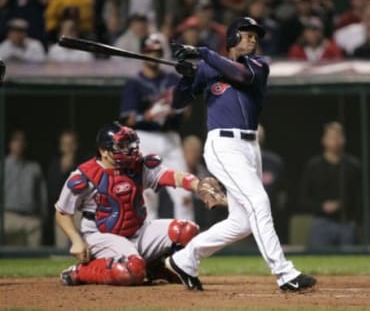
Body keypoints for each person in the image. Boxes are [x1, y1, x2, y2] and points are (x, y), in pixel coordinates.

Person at [167, 16, 316, 291]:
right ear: (233, 37)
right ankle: (284, 274)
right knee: (259, 201)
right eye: (247, 35)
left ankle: (184, 259)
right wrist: (186, 79)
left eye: (255, 36)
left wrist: (202, 53)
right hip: (223, 145)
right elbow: (178, 103)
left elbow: (240, 76)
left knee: (241, 222)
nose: (253, 39)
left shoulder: (258, 66)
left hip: (250, 146)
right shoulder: (209, 68)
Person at [57, 122, 224, 285]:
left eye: (129, 144)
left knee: (187, 230)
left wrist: (198, 185)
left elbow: (173, 176)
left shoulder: (137, 166)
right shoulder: (85, 174)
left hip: (137, 230)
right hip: (102, 235)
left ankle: (155, 268)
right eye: (121, 146)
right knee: (132, 270)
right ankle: (79, 272)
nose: (129, 150)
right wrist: (76, 239)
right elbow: (62, 212)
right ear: (103, 151)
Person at [120, 33, 191, 221]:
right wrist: (149, 115)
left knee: (184, 194)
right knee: (148, 197)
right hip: (145, 138)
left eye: (157, 52)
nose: (153, 55)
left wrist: (171, 111)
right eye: (150, 51)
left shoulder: (172, 80)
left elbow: (186, 110)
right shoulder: (134, 83)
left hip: (170, 138)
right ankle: (150, 245)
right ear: (143, 53)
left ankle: (187, 246)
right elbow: (128, 119)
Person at [299, 122, 361, 247]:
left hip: (346, 223)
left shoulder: (353, 166)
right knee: (318, 259)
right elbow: (302, 198)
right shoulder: (314, 166)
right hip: (321, 223)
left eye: (338, 137)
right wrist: (322, 206)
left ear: (344, 140)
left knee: (349, 260)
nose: (335, 141)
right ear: (324, 140)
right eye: (331, 137)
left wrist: (352, 215)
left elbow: (360, 198)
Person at [3, 129, 47, 246]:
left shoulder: (34, 167)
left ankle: (37, 263)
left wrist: (42, 215)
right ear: (10, 144)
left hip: (29, 216)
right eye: (16, 140)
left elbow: (42, 195)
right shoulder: (3, 166)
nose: (19, 144)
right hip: (7, 215)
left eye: (22, 141)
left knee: (36, 225)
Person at [46, 130, 82, 246]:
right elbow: (52, 191)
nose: (68, 148)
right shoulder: (54, 165)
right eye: (65, 144)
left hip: (80, 211)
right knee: (61, 250)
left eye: (71, 144)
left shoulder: (84, 164)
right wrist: (62, 171)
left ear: (76, 145)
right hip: (62, 211)